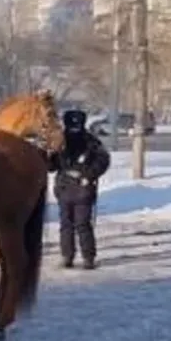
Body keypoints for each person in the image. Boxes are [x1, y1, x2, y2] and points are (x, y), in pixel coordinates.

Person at [49, 109, 111, 270]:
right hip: (67, 187)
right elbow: (51, 165)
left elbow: (103, 160)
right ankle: (70, 256)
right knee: (70, 224)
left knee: (78, 223)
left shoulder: (90, 142)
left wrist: (89, 175)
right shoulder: (60, 142)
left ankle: (85, 257)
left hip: (80, 187)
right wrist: (48, 155)